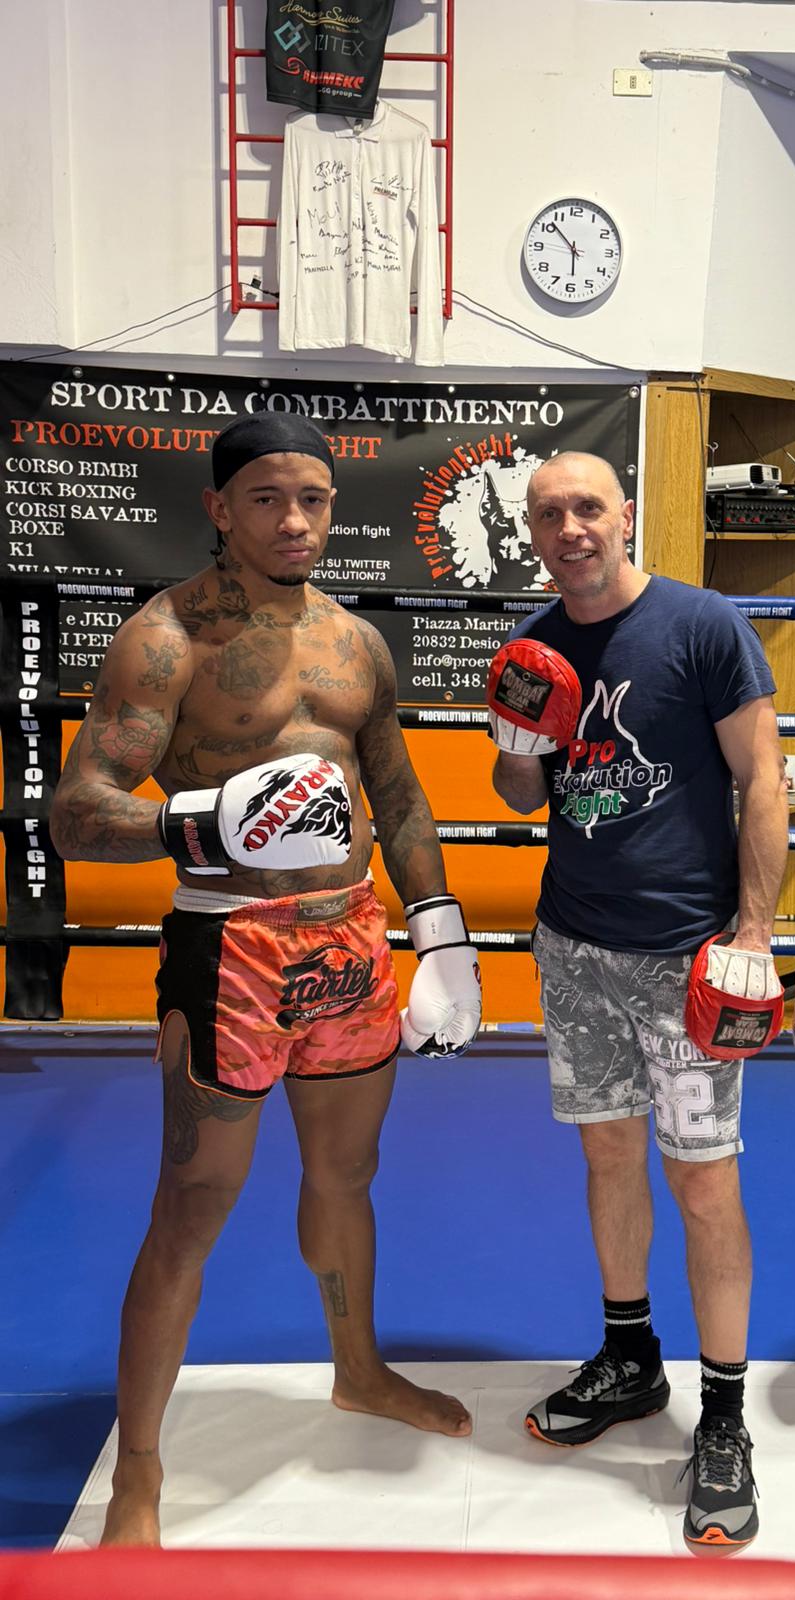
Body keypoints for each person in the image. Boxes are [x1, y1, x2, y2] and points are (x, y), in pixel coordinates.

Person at [49, 413, 482, 1547]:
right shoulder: (165, 640)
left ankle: (359, 1371)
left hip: (350, 941)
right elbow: (76, 810)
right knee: (194, 1203)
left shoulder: (357, 643)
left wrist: (439, 931)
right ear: (219, 508)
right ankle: (140, 1469)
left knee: (349, 1174)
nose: (295, 520)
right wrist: (197, 824)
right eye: (267, 499)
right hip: (230, 945)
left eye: (313, 499)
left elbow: (397, 793)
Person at [486, 452, 788, 1549]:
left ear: (624, 516)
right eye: (546, 514)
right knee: (608, 1157)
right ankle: (630, 1356)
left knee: (704, 1182)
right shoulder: (531, 647)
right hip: (574, 947)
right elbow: (521, 796)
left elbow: (763, 779)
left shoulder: (702, 625)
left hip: (683, 956)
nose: (568, 528)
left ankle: (725, 1416)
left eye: (586, 508)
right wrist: (520, 745)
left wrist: (754, 934)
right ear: (531, 532)